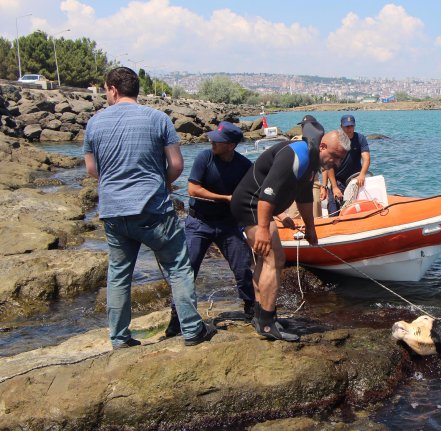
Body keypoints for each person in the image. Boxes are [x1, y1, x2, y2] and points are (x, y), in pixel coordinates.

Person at [83, 67, 216, 348]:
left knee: (119, 276)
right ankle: (192, 330)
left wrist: (114, 181)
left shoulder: (94, 123)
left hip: (113, 211)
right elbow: (177, 164)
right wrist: (163, 183)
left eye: (106, 90)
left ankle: (119, 338)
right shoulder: (158, 119)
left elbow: (92, 169)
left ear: (113, 89)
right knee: (178, 268)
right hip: (153, 209)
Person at [230, 117, 350, 341]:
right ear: (322, 145)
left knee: (264, 259)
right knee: (273, 260)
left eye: (340, 159)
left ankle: (260, 316)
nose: (335, 162)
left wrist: (311, 229)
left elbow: (304, 196)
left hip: (257, 206)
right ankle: (267, 323)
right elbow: (267, 193)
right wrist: (264, 229)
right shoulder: (297, 154)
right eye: (333, 156)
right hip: (252, 204)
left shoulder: (313, 162)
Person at [164, 121, 255, 337]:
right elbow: (193, 189)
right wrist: (225, 198)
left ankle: (251, 309)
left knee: (243, 268)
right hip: (199, 223)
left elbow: (253, 194)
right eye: (213, 137)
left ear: (231, 145)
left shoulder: (244, 165)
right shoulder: (204, 157)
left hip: (229, 224)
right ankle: (177, 317)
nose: (212, 141)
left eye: (218, 140)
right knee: (187, 271)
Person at [321, 114, 371, 215]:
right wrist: (333, 187)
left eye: (351, 126)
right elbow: (328, 164)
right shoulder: (335, 140)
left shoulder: (360, 138)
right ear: (341, 127)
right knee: (333, 209)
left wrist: (362, 174)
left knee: (354, 209)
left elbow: (366, 158)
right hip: (337, 179)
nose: (349, 129)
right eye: (347, 126)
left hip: (354, 179)